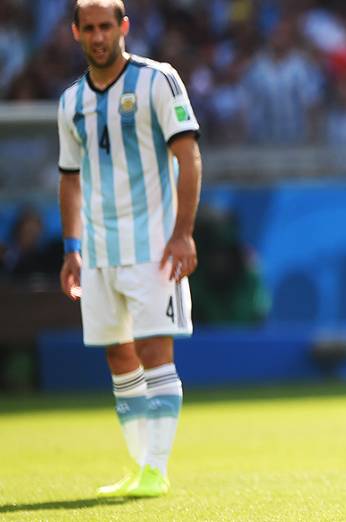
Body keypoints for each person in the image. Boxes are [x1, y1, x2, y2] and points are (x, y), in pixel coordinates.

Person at [57, 0, 202, 498]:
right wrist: (71, 247)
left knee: (154, 349)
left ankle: (156, 469)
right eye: (89, 28)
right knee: (118, 357)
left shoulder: (158, 80)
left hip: (154, 246)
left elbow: (189, 155)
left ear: (124, 27)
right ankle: (138, 465)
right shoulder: (70, 101)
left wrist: (183, 232)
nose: (99, 37)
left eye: (107, 27)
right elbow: (70, 179)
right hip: (98, 251)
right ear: (76, 32)